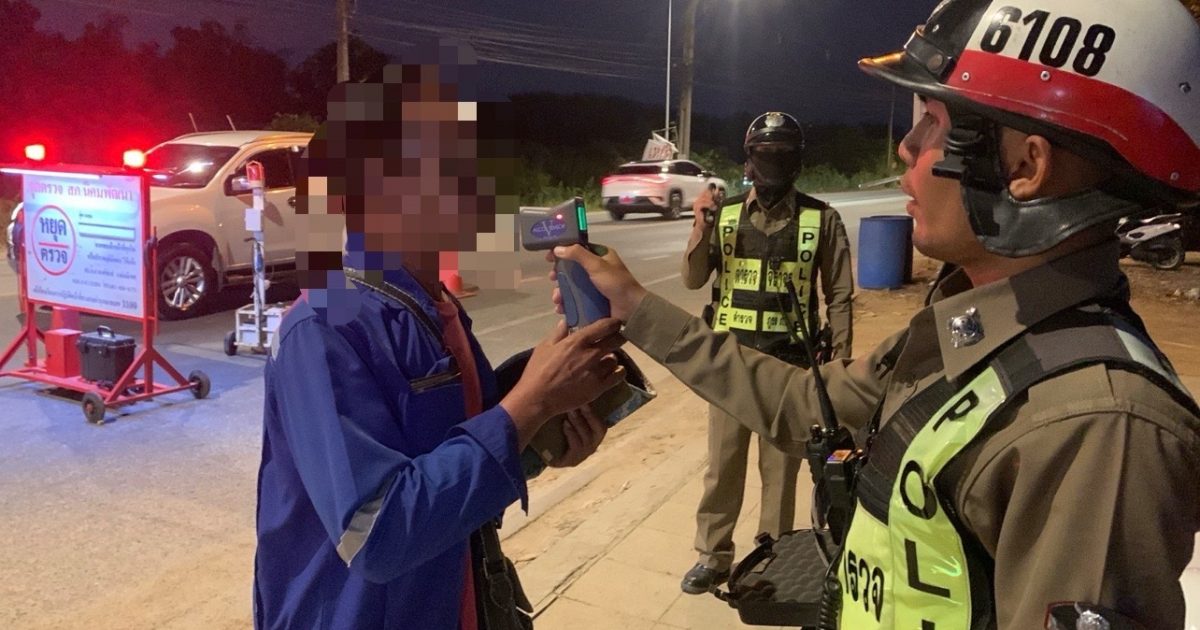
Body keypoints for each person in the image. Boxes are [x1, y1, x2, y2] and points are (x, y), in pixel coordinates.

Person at [548, 0, 1200, 627]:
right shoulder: (962, 333)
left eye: (934, 123)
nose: (905, 149)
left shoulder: (1099, 427)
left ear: (1026, 167)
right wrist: (634, 306)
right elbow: (801, 402)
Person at [253, 45, 628, 630]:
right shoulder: (325, 327)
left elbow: (452, 459)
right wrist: (529, 405)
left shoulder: (437, 308)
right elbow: (376, 533)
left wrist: (543, 435)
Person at [678, 111, 854, 594]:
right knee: (723, 467)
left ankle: (772, 556)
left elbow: (840, 296)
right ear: (748, 161)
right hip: (730, 364)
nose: (772, 162)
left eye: (782, 154)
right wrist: (700, 225)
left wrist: (839, 367)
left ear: (797, 161)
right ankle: (713, 557)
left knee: (780, 474)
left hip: (789, 367)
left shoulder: (822, 219)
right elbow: (693, 280)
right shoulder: (725, 215)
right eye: (764, 154)